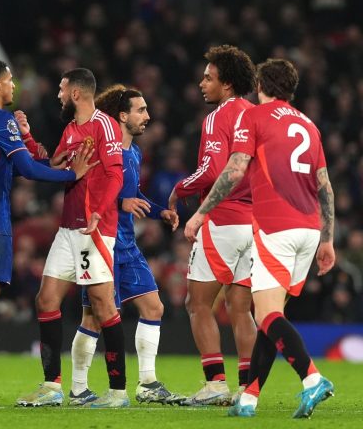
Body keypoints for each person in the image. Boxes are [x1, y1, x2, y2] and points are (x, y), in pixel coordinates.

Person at [183, 58, 335, 418]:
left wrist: (202, 212)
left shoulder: (254, 116)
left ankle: (312, 379)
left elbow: (235, 169)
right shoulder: (309, 124)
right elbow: (325, 186)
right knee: (271, 316)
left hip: (275, 227)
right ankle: (248, 398)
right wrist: (328, 239)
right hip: (309, 229)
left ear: (260, 86)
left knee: (266, 315)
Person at [0, 58, 96, 406]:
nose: (14, 85)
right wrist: (70, 175)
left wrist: (46, 161)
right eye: (10, 80)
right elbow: (28, 169)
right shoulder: (0, 119)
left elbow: (7, 167)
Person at [66, 84, 184, 405]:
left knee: (154, 307)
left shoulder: (134, 153)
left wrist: (160, 212)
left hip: (127, 244)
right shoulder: (100, 149)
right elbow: (85, 193)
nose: (147, 116)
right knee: (93, 318)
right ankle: (78, 389)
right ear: (122, 115)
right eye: (140, 110)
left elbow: (134, 196)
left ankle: (147, 383)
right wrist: (121, 204)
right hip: (100, 242)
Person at [16, 68, 125, 408]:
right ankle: (52, 386)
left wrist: (99, 212)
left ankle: (118, 391)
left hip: (94, 229)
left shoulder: (104, 125)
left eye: (62, 89)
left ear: (76, 93)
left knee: (103, 305)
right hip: (68, 228)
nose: (59, 95)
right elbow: (55, 165)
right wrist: (27, 137)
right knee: (46, 300)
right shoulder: (71, 130)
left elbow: (115, 175)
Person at [167, 45, 258, 405]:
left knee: (197, 303)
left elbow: (212, 170)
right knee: (241, 308)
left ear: (227, 84)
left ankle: (215, 383)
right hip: (254, 224)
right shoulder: (254, 115)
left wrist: (180, 188)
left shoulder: (218, 117)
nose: (202, 83)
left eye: (209, 78)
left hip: (222, 219)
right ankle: (247, 388)